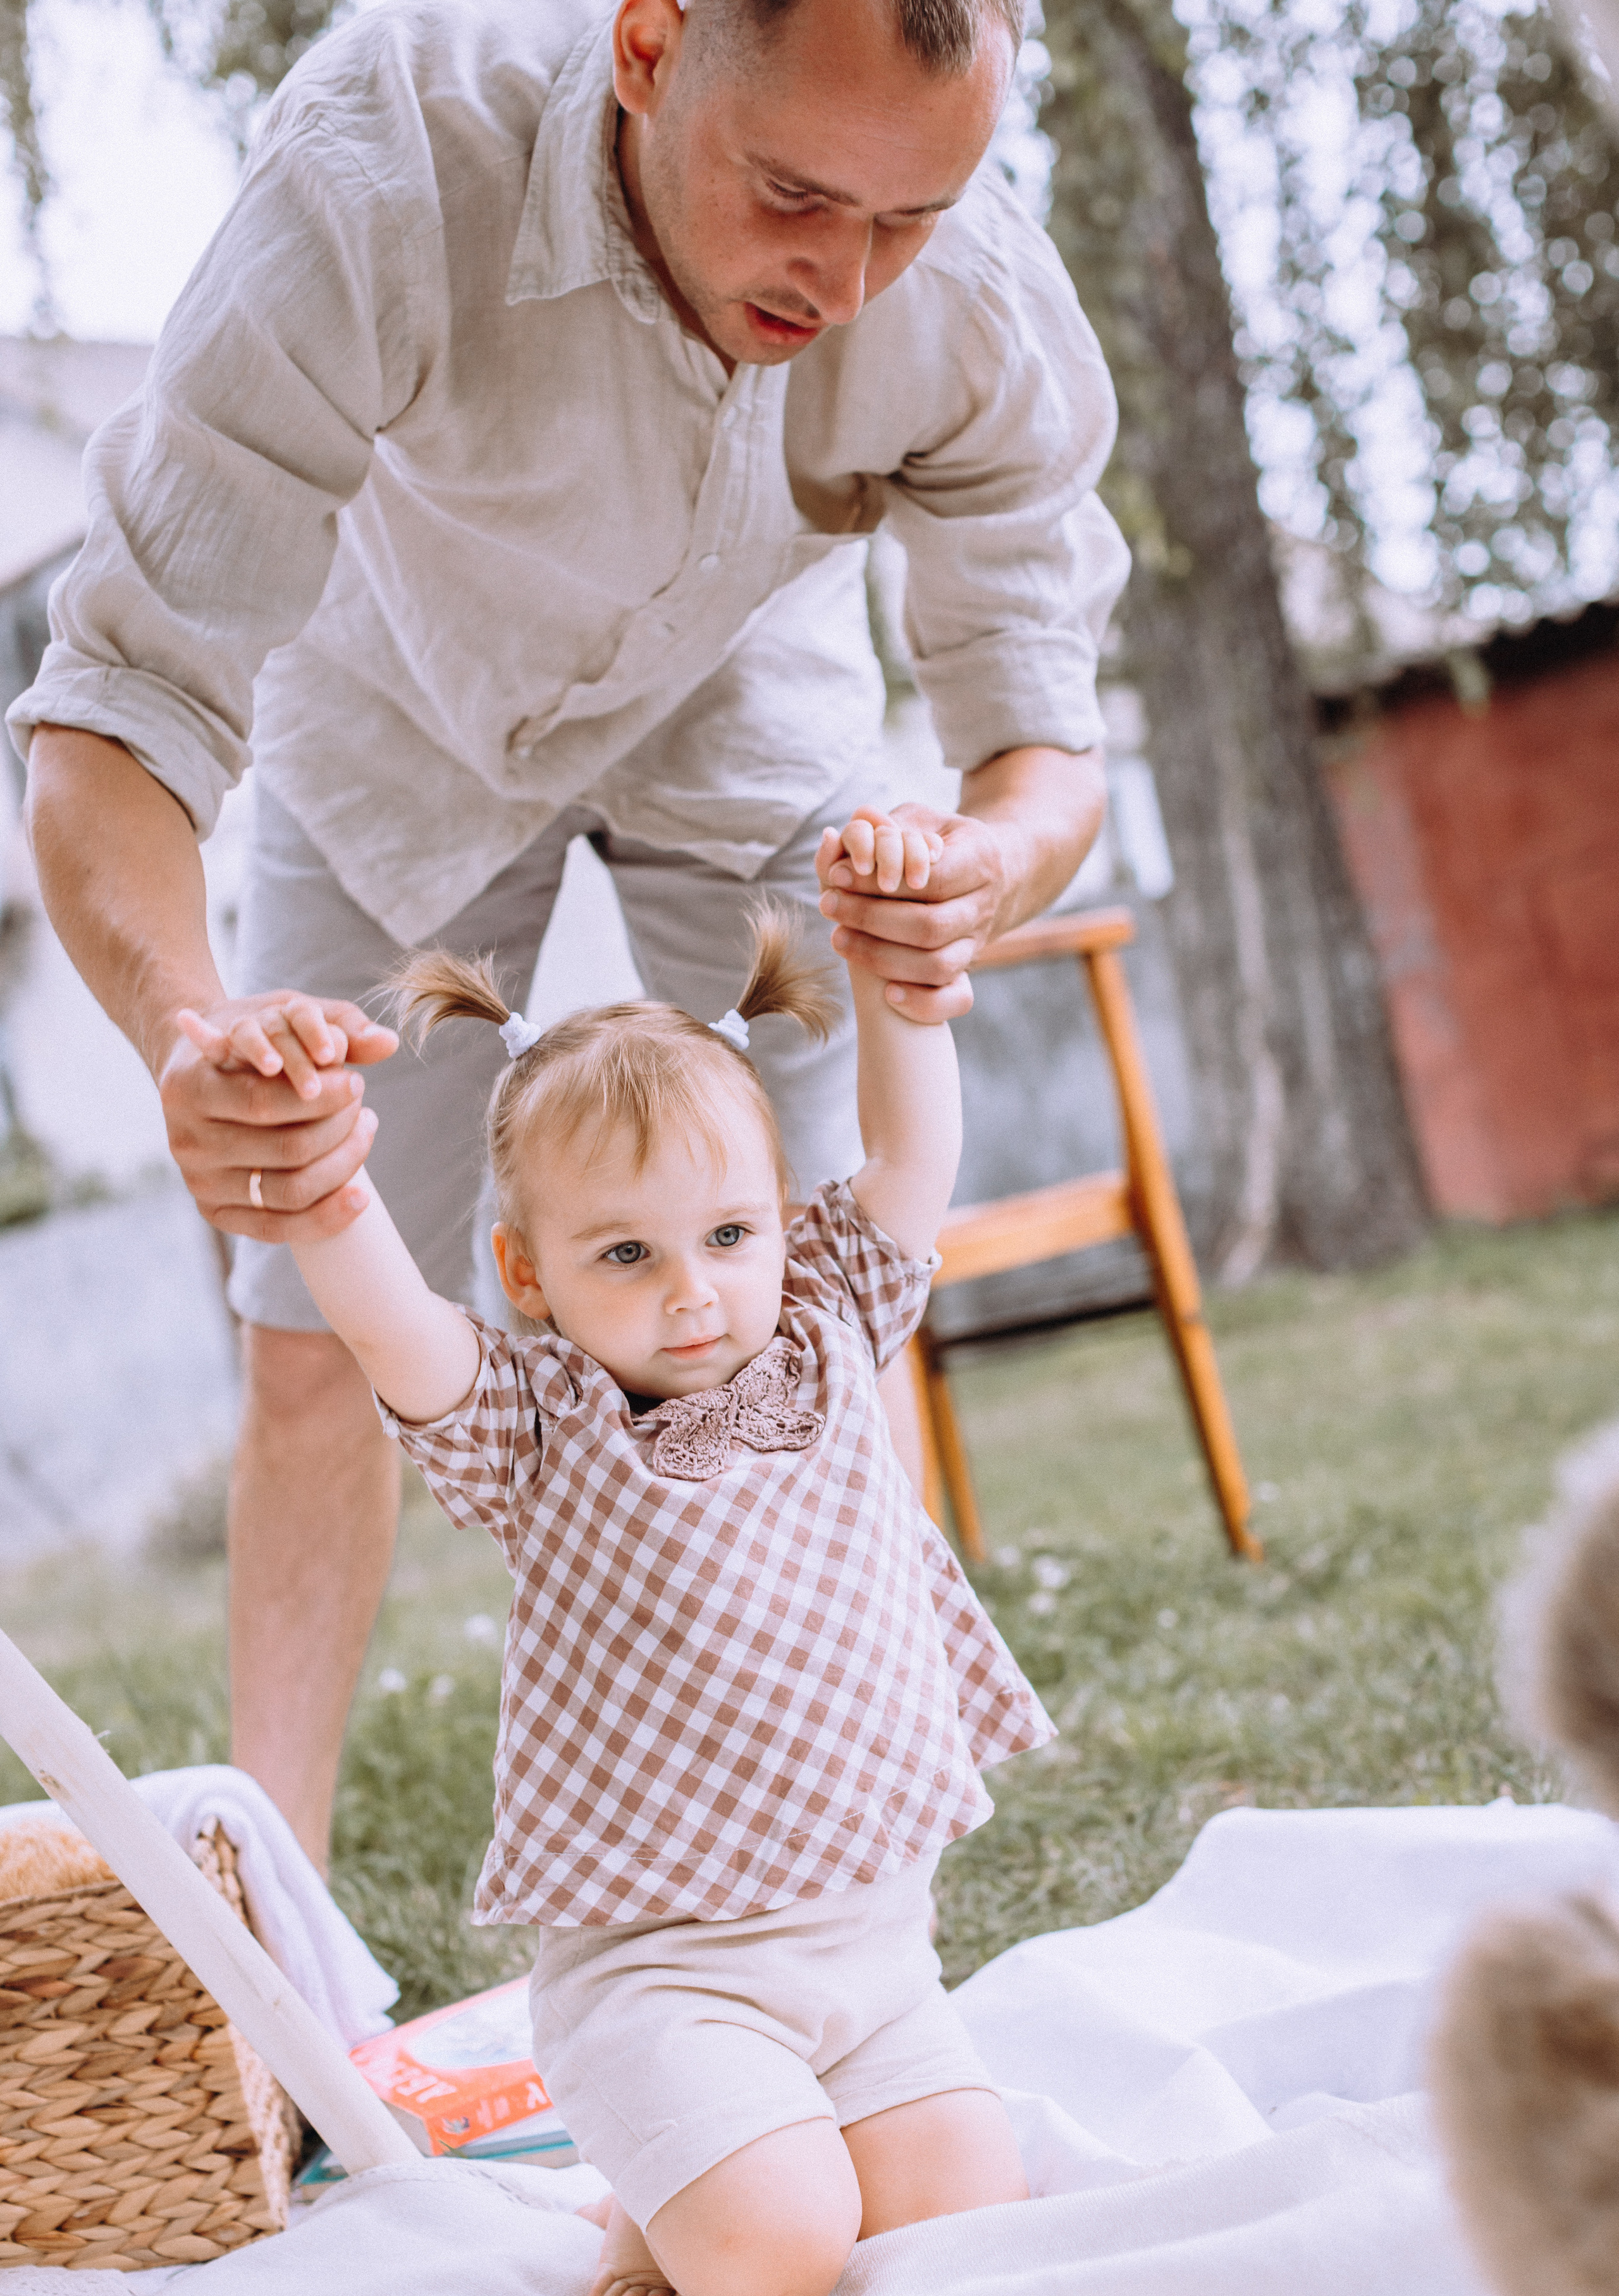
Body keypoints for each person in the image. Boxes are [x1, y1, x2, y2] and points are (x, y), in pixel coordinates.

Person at [9, 0, 1128, 1865]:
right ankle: (278, 1910)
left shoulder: (983, 304)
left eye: (909, 218)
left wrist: (978, 867)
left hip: (752, 726)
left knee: (827, 1297)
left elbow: (1042, 744)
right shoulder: (382, 165)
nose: (847, 279)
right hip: (396, 721)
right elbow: (119, 701)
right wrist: (188, 1025)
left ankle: (871, 1844)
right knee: (307, 1321)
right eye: (793, 195)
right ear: (649, 48)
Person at [175, 808, 1054, 2296]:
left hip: (869, 1957)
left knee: (966, 2219)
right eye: (626, 1255)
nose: (694, 1294)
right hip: (668, 1980)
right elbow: (390, 1328)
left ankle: (723, 2157)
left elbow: (914, 1151)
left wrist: (894, 982)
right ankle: (648, 2193)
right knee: (779, 2259)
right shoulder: (539, 1426)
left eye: (727, 1234)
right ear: (528, 1275)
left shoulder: (829, 1318)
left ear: (779, 1220)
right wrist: (325, 1190)